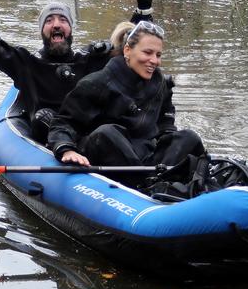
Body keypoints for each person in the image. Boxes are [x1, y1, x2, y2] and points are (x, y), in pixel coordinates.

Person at [0, 0, 156, 133]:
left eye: (63, 20)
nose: (56, 24)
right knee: (42, 118)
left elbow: (132, 46)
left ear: (70, 29)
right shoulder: (27, 63)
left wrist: (144, 10)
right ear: (42, 31)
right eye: (49, 20)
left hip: (89, 132)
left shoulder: (90, 58)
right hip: (45, 132)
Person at [47, 21, 205, 181]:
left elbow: (165, 123)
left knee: (189, 137)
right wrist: (67, 149)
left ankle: (165, 179)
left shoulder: (160, 84)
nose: (154, 61)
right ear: (127, 50)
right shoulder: (97, 83)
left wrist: (171, 149)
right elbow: (63, 123)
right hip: (106, 152)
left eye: (158, 55)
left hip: (145, 154)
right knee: (107, 132)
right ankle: (145, 183)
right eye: (148, 52)